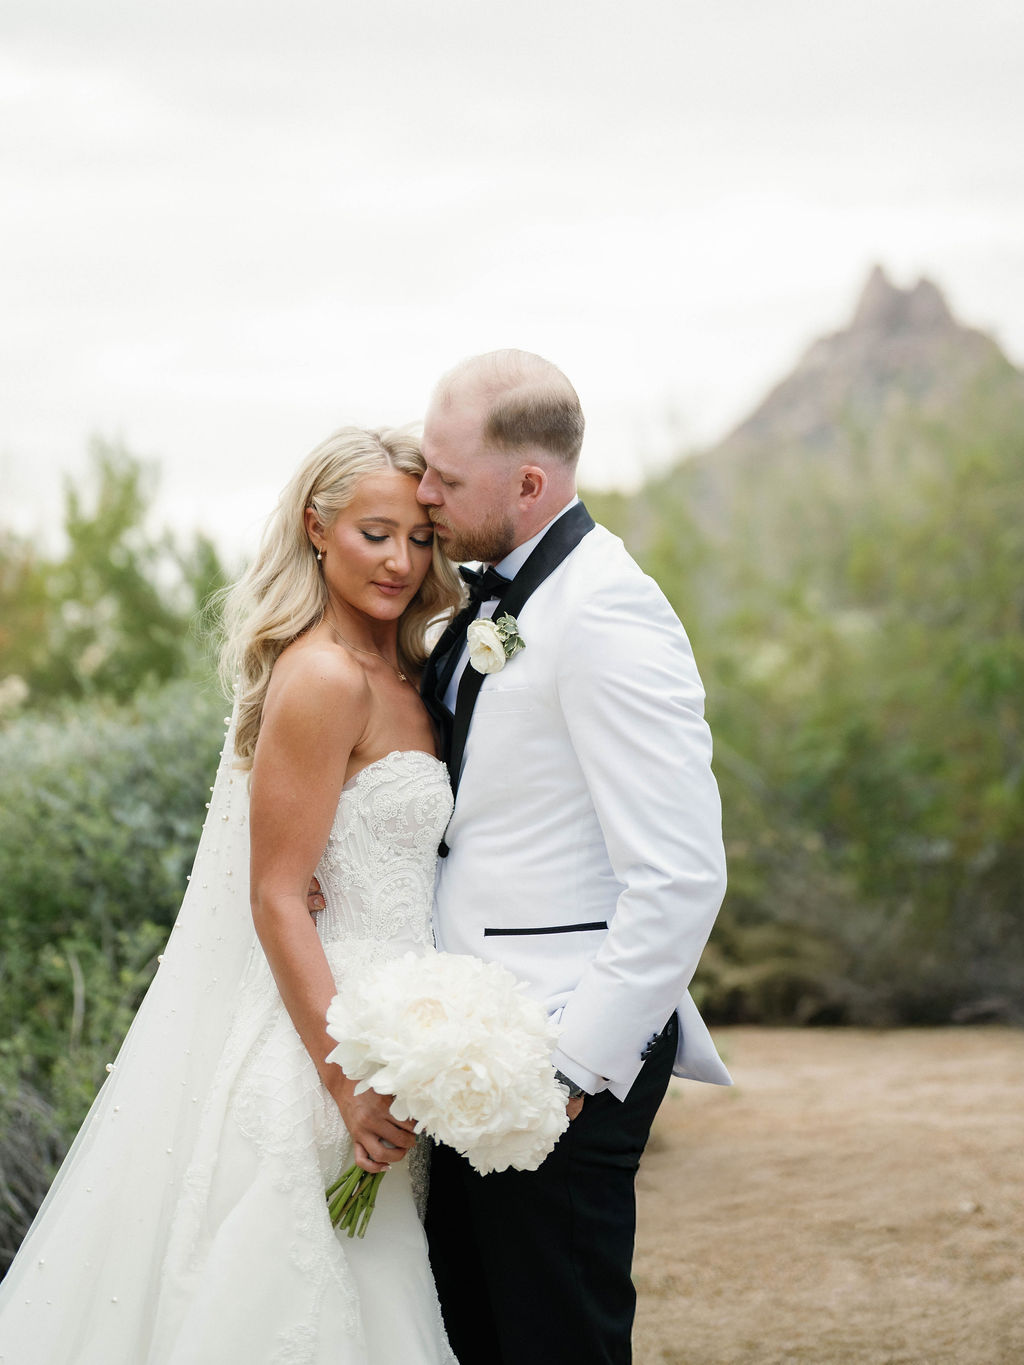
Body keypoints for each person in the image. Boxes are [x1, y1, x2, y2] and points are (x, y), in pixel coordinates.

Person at [0, 426, 463, 1365]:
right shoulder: (326, 676)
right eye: (376, 533)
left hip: (406, 1028)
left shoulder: (412, 669)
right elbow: (277, 896)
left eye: (420, 538)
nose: (402, 561)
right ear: (317, 528)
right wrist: (345, 1079)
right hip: (326, 1049)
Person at [416, 350, 731, 1365]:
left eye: (445, 480)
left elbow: (679, 873)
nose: (423, 496)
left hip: (555, 1051)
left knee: (557, 1340)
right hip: (470, 1043)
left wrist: (573, 1069)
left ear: (529, 486)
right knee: (477, 1330)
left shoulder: (606, 611)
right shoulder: (487, 601)